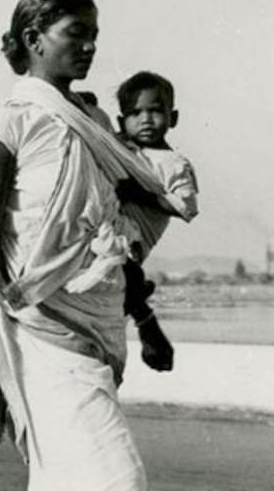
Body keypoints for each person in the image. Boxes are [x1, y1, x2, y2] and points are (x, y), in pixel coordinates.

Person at [0, 0, 174, 491]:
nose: (90, 46)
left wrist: (147, 324)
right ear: (34, 40)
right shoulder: (5, 126)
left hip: (98, 332)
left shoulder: (96, 122)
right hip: (41, 334)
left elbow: (114, 236)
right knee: (119, 481)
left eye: (94, 35)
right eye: (76, 33)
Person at [114, 71, 200, 372]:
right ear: (121, 121)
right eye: (135, 113)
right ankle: (138, 302)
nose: (146, 120)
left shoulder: (174, 163)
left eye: (155, 111)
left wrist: (141, 194)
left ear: (172, 118)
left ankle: (144, 317)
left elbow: (186, 207)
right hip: (106, 227)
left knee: (123, 268)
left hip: (133, 239)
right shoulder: (117, 146)